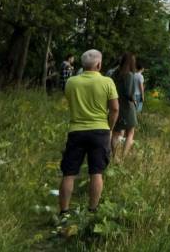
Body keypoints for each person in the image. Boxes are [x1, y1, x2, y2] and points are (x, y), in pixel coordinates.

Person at [57, 49, 119, 220]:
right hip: (100, 131)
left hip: (76, 130)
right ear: (99, 64)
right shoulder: (107, 82)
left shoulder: (71, 82)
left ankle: (64, 212)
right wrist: (110, 128)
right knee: (96, 172)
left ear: (83, 65)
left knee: (69, 172)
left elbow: (70, 101)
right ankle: (92, 211)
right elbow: (114, 109)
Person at [111, 53, 139, 158]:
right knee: (130, 132)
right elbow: (129, 93)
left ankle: (114, 156)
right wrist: (134, 100)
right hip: (127, 106)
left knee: (116, 132)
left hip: (115, 103)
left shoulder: (114, 73)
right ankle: (123, 156)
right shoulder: (129, 75)